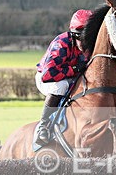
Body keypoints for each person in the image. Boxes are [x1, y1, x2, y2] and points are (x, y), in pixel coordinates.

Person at [34, 9, 93, 147]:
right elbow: (49, 75)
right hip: (48, 78)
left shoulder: (93, 44)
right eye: (80, 38)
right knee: (61, 86)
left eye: (88, 38)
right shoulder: (61, 43)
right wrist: (73, 69)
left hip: (73, 78)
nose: (84, 43)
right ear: (73, 35)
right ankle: (44, 126)